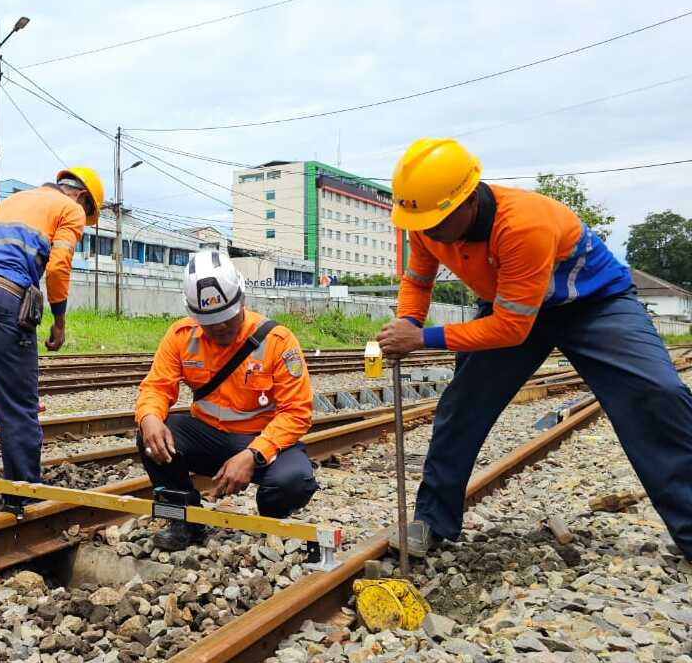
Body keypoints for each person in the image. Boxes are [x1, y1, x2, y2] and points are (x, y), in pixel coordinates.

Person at [378, 138, 692, 559]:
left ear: (468, 201)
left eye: (437, 222)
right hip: (510, 303)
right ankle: (432, 520)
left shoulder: (523, 224)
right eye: (421, 223)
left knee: (657, 394)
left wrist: (423, 339)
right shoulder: (426, 222)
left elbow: (511, 329)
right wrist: (409, 321)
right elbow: (418, 280)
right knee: (462, 406)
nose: (428, 231)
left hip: (594, 305)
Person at [135, 250, 319, 550]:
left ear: (242, 300)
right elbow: (156, 386)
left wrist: (253, 454)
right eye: (210, 322)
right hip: (209, 438)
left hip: (262, 441)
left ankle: (272, 518)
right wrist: (150, 418)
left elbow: (297, 413)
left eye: (226, 319)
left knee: (294, 482)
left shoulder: (278, 342)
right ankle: (185, 520)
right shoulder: (181, 336)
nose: (220, 328)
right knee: (151, 435)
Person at [0, 168, 103, 505]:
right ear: (83, 197)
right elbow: (59, 266)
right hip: (5, 296)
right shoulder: (70, 209)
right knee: (18, 401)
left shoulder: (17, 199)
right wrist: (58, 321)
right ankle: (23, 492)